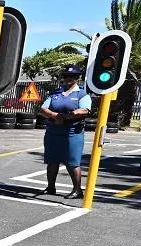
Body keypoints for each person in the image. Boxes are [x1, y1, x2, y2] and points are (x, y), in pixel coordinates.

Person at [39, 65, 92, 199]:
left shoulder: (81, 94)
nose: (68, 78)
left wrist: (72, 114)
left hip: (72, 132)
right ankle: (51, 187)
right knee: (52, 160)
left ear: (77, 78)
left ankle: (77, 190)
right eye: (66, 76)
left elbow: (86, 109)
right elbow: (43, 108)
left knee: (72, 162)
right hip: (53, 131)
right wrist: (55, 115)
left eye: (72, 76)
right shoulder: (56, 92)